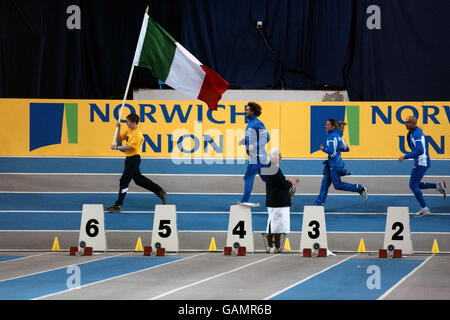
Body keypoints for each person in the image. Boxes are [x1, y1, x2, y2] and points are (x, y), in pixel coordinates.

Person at [107, 113, 167, 212]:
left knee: (124, 181)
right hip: (128, 159)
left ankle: (118, 205)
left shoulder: (138, 134)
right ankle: (160, 191)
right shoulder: (128, 130)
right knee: (138, 180)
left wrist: (117, 148)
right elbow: (118, 139)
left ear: (134, 122)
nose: (127, 124)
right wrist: (118, 129)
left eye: (128, 122)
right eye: (126, 122)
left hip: (134, 159)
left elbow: (130, 146)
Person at [398, 115, 446, 217]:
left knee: (413, 185)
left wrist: (405, 156)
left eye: (408, 122)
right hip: (420, 161)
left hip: (421, 162)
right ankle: (437, 186)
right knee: (416, 184)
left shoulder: (416, 134)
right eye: (405, 122)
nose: (405, 124)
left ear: (414, 123)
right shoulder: (413, 132)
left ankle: (425, 209)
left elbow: (420, 150)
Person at [314, 119, 368, 206]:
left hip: (334, 164)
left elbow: (332, 152)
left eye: (328, 125)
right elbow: (346, 148)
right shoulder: (338, 136)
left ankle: (360, 189)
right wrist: (337, 149)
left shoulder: (331, 137)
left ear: (332, 127)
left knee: (337, 185)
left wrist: (323, 149)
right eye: (326, 124)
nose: (326, 126)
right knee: (324, 184)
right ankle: (318, 204)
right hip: (332, 163)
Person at [263, 148, 299, 253]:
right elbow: (282, 185)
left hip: (273, 201)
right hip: (277, 202)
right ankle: (274, 247)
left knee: (274, 224)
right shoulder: (274, 169)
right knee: (275, 225)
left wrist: (287, 182)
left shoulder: (270, 167)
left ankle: (274, 246)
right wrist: (291, 183)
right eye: (280, 156)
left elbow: (277, 183)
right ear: (275, 157)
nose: (281, 158)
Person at [234, 102, 271, 205]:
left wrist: (254, 146)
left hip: (257, 156)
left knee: (248, 177)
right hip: (258, 156)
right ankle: (286, 189)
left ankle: (243, 202)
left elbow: (266, 137)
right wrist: (244, 141)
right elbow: (251, 137)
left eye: (247, 109)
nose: (245, 111)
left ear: (252, 112)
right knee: (267, 178)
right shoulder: (250, 123)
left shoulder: (257, 123)